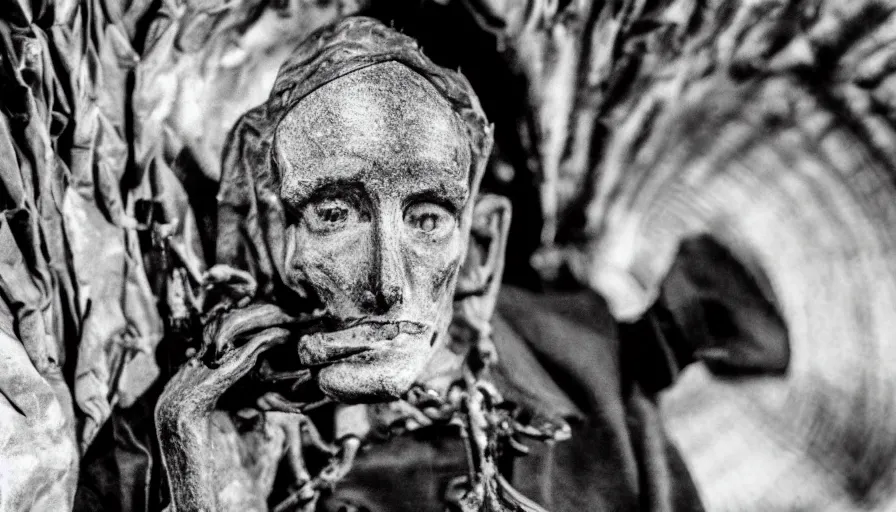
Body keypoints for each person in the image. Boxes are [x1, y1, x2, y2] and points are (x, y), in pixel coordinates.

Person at [145, 17, 707, 512]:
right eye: (334, 213)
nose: (386, 282)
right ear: (260, 237)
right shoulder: (181, 427)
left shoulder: (591, 361)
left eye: (428, 218)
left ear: (480, 247)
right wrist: (190, 455)